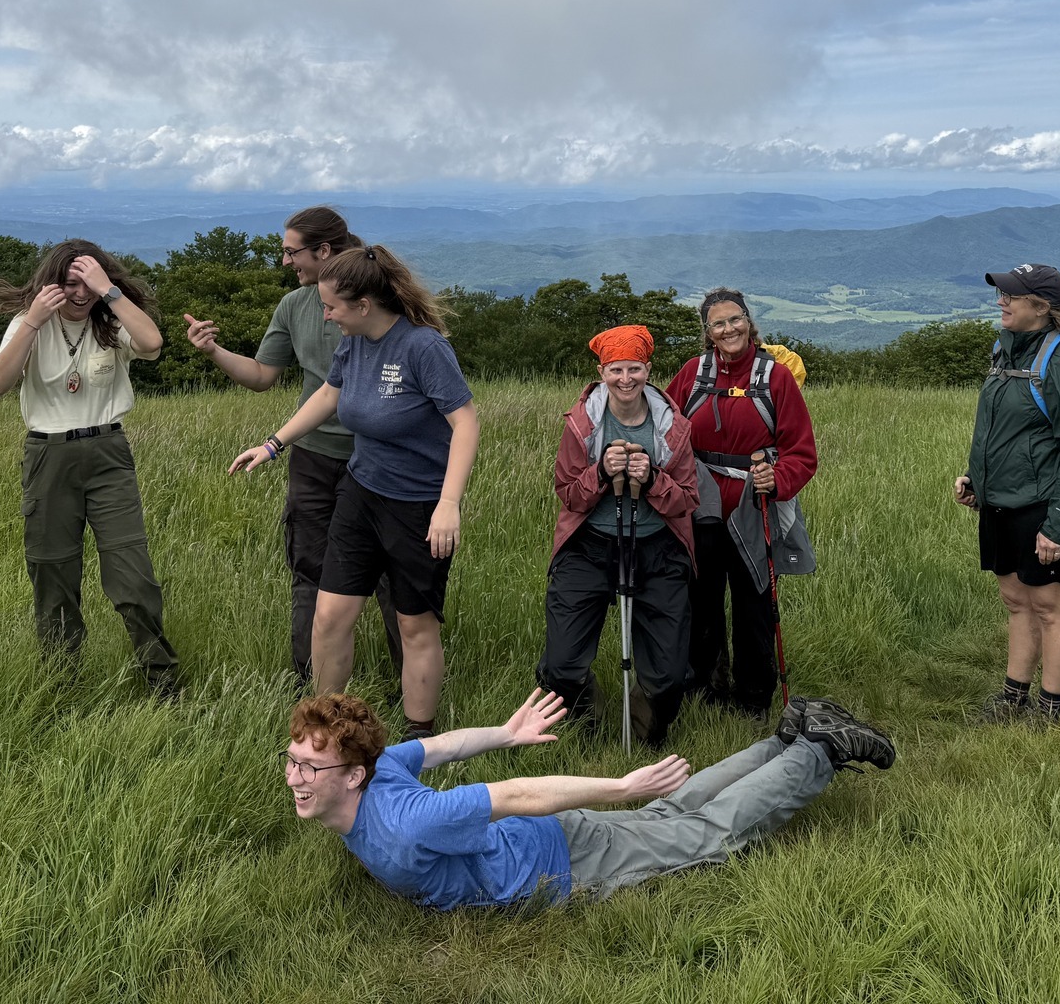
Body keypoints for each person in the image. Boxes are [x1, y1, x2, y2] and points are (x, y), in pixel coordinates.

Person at [282, 686, 894, 909]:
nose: (295, 778)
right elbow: (439, 746)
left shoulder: (406, 824)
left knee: (708, 838)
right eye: (294, 761)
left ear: (353, 775)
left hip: (559, 863)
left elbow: (518, 794)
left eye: (310, 767)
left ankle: (819, 751)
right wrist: (507, 732)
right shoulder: (381, 762)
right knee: (670, 816)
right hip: (556, 844)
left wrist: (621, 786)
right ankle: (786, 739)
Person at [230, 245, 475, 738]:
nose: (326, 315)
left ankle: (418, 740)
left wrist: (448, 505)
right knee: (329, 615)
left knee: (414, 625)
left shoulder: (423, 348)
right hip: (361, 493)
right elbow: (329, 394)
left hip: (418, 506)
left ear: (363, 305)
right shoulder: (355, 341)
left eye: (332, 307)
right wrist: (273, 445)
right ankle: (324, 730)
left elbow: (465, 423)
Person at [184, 207, 404, 686]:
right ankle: (310, 686)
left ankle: (410, 686)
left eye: (291, 252)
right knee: (310, 568)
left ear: (324, 251)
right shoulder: (294, 306)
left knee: (393, 576)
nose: (285, 262)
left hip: (381, 459)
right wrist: (212, 351)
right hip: (314, 458)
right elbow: (263, 376)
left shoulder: (381, 301)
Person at [0, 241, 182, 697]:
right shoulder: (28, 323)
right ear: (51, 284)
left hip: (108, 451)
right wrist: (33, 319)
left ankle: (161, 679)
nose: (79, 293)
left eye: (87, 283)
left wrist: (109, 292)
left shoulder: (112, 318)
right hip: (48, 454)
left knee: (132, 574)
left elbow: (152, 344)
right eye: (70, 283)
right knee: (53, 573)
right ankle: (61, 682)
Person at [538, 325, 698, 744]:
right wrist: (602, 473)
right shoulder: (582, 424)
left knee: (668, 676)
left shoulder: (672, 426)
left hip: (658, 549)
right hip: (588, 546)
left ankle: (644, 736)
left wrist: (652, 480)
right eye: (615, 370)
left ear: (648, 369)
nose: (625, 379)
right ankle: (587, 730)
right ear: (601, 371)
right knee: (561, 668)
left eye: (634, 369)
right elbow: (569, 494)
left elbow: (686, 500)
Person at [954, 263, 1060, 725]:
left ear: (1041, 307)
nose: (1001, 301)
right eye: (1002, 293)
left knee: (1051, 608)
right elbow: (1002, 428)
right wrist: (977, 479)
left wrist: (1058, 526)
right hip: (1001, 501)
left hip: (1042, 505)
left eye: (1011, 296)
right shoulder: (1005, 351)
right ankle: (1013, 698)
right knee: (1017, 601)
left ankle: (1050, 710)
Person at [665, 287, 817, 718]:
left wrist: (777, 478)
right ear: (708, 332)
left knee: (754, 604)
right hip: (698, 505)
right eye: (719, 323)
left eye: (736, 319)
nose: (729, 329)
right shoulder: (693, 373)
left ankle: (753, 698)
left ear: (749, 322)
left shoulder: (776, 377)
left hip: (754, 506)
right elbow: (666, 432)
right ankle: (703, 687)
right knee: (700, 598)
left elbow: (802, 453)